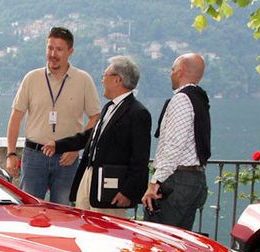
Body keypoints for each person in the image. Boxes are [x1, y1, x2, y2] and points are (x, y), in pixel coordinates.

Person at [43, 56, 151, 218]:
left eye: (104, 76)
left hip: (110, 185)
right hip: (90, 177)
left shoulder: (138, 113)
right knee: (83, 222)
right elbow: (91, 136)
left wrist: (127, 191)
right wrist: (58, 145)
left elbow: (140, 158)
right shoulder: (109, 108)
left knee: (106, 227)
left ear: (117, 80)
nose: (102, 81)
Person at [5, 27, 101, 205]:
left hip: (66, 158)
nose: (53, 54)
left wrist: (76, 149)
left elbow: (96, 118)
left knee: (63, 212)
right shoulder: (31, 78)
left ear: (70, 51)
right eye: (50, 48)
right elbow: (16, 117)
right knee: (30, 211)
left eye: (59, 49)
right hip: (34, 157)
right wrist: (11, 153)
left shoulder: (83, 80)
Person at [141, 53, 211, 230]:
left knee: (157, 235)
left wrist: (155, 182)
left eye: (172, 69)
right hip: (195, 180)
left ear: (180, 71)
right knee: (179, 238)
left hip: (177, 181)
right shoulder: (199, 99)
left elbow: (173, 146)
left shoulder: (181, 99)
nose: (170, 74)